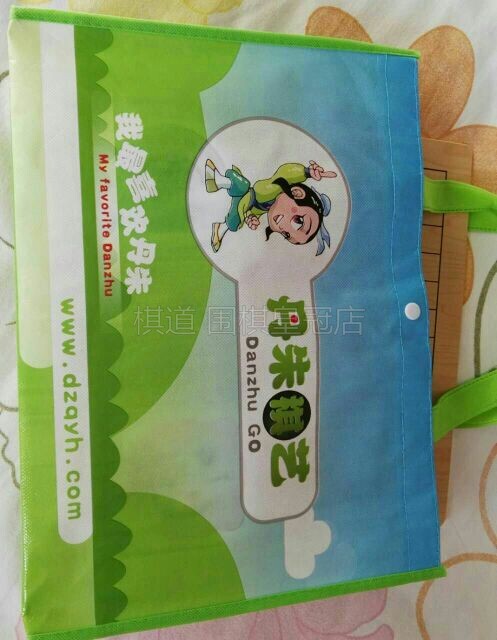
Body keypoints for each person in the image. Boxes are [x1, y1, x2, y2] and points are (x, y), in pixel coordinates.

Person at [205, 160, 337, 255]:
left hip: (242, 205)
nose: (283, 228)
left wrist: (251, 217)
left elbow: (254, 210)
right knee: (243, 185)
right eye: (298, 221)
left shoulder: (271, 207)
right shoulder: (276, 188)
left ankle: (220, 228)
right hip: (244, 191)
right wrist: (307, 172)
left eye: (287, 235)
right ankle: (218, 180)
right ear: (297, 193)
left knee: (235, 223)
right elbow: (286, 173)